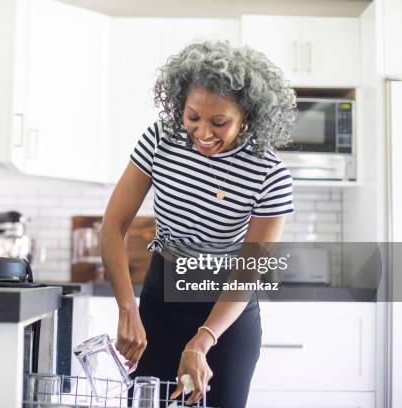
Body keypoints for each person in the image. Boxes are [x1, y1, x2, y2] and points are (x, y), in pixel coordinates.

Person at [100, 41, 296, 407]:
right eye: (193, 117)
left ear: (247, 117)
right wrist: (127, 308)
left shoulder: (270, 174)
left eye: (219, 122)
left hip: (225, 314)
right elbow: (112, 225)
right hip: (161, 300)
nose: (203, 133)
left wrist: (202, 340)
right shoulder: (160, 139)